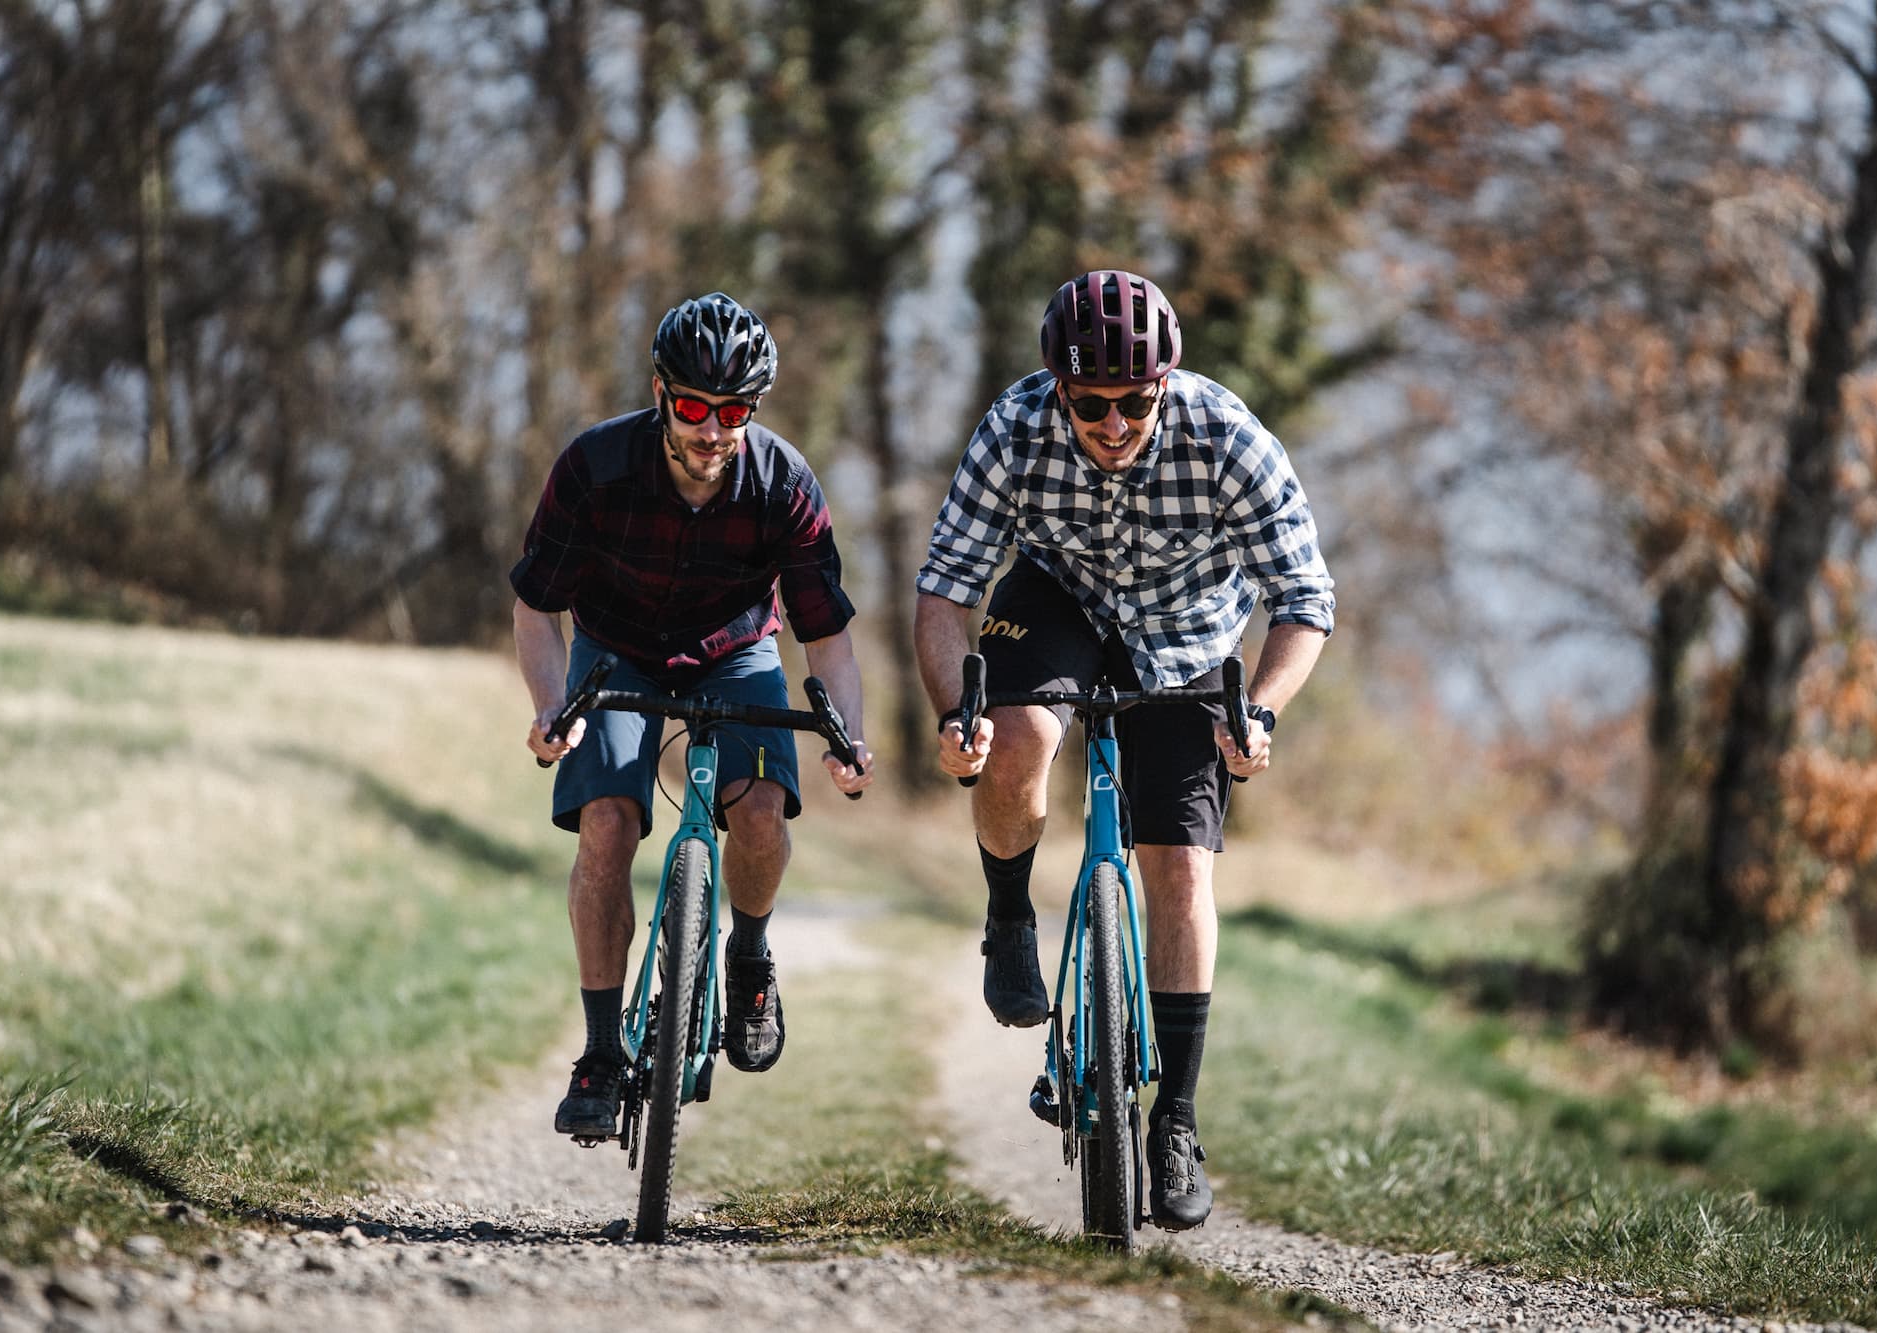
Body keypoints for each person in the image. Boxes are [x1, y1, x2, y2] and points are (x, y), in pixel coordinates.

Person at [913, 269, 1334, 1230]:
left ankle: (1175, 1120)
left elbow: (1304, 599)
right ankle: (1011, 917)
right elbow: (945, 588)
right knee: (1016, 735)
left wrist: (1259, 708)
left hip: (1189, 630)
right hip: (1056, 601)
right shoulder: (1015, 426)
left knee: (1180, 870)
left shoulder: (1228, 437)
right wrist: (954, 712)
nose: (1112, 423)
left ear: (1164, 384)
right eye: (1089, 404)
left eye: (1134, 402)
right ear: (1056, 386)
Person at [513, 292, 874, 1143]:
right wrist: (547, 709)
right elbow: (536, 610)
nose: (713, 431)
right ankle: (603, 1053)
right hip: (614, 650)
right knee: (606, 823)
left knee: (756, 811)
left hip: (736, 652)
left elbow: (828, 639)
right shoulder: (594, 467)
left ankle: (749, 955)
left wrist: (851, 739)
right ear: (660, 392)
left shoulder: (785, 483)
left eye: (734, 412)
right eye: (694, 408)